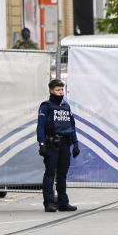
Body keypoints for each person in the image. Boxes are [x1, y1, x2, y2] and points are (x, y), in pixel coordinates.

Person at [37, 79, 80, 212]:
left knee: (62, 175)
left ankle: (63, 203)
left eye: (62, 89)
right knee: (50, 174)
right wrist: (42, 143)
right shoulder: (46, 106)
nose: (60, 92)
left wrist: (75, 143)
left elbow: (71, 126)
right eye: (58, 90)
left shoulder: (66, 106)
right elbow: (41, 126)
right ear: (51, 90)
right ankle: (49, 203)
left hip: (65, 144)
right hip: (51, 144)